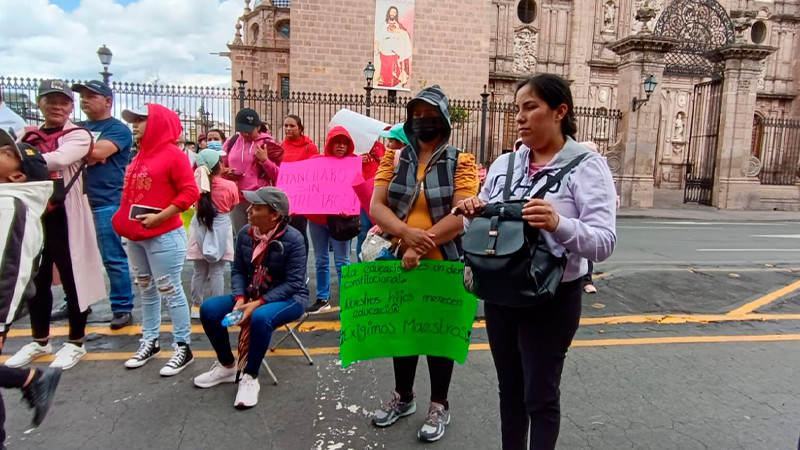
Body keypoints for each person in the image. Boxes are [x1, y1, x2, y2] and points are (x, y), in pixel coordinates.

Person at [455, 74, 617, 450]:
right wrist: (472, 211)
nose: (520, 118)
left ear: (560, 111)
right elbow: (483, 228)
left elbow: (604, 241)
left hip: (551, 299)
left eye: (531, 108)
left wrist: (558, 223)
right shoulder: (504, 165)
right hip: (500, 294)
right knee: (509, 392)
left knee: (539, 396)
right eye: (517, 110)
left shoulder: (587, 167)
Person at [369, 85, 479, 442]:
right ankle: (404, 398)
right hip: (399, 262)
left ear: (444, 122)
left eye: (429, 116)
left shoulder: (462, 161)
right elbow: (377, 206)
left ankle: (439, 404)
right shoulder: (394, 158)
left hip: (443, 265)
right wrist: (405, 235)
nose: (421, 123)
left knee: (437, 341)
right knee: (403, 336)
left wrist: (420, 243)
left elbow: (462, 214)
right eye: (415, 116)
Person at [5, 80, 107, 371]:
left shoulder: (78, 135)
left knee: (75, 277)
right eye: (51, 101)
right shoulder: (28, 134)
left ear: (70, 106)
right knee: (35, 279)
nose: (57, 107)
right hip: (36, 214)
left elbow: (57, 160)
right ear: (40, 103)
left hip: (67, 214)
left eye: (63, 102)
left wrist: (19, 161)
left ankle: (76, 342)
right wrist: (23, 159)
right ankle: (40, 340)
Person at [195, 187, 308, 409]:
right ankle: (227, 365)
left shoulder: (294, 239)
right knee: (208, 310)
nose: (248, 210)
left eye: (256, 208)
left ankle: (250, 375)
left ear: (274, 215)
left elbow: (294, 284)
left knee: (259, 317)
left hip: (290, 298)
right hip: (251, 293)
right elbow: (238, 271)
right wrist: (239, 299)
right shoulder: (246, 233)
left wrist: (256, 303)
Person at [113, 104, 200, 376]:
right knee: (146, 289)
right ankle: (150, 341)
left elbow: (190, 193)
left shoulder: (173, 155)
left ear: (158, 123)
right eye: (134, 121)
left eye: (141, 120)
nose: (135, 125)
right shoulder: (139, 156)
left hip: (162, 235)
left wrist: (161, 217)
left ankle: (183, 346)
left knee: (170, 290)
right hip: (137, 236)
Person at [0, 130, 63, 443]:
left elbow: (12, 269)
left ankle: (29, 379)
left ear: (16, 175)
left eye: (5, 151)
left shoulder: (13, 207)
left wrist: (1, 320)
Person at [71, 80, 136, 329]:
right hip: (75, 201)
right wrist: (87, 152)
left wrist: (76, 151)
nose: (84, 100)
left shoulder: (118, 129)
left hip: (106, 200)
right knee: (74, 255)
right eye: (83, 97)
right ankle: (75, 301)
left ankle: (122, 306)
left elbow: (98, 154)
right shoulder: (77, 127)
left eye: (91, 96)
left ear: (108, 101)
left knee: (112, 256)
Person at [305, 126, 360, 314]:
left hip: (341, 221)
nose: (341, 146)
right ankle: (322, 297)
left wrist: (351, 209)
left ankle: (347, 298)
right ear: (329, 143)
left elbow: (359, 191)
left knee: (343, 260)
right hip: (317, 219)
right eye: (338, 142)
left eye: (345, 143)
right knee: (320, 259)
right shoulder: (316, 162)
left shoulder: (354, 163)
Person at [186, 150, 239, 319]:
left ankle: (196, 305)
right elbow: (233, 204)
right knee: (217, 270)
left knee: (199, 271)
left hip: (199, 224)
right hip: (221, 225)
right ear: (220, 166)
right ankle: (215, 306)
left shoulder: (195, 185)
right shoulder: (230, 186)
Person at [223, 108, 284, 234]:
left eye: (249, 131)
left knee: (260, 235)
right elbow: (221, 165)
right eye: (242, 130)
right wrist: (226, 172)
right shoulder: (232, 141)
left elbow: (278, 174)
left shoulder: (268, 143)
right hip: (237, 198)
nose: (245, 134)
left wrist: (265, 161)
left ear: (258, 127)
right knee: (240, 235)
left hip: (259, 198)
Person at [280, 114, 318, 254]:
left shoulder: (310, 147)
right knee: (283, 233)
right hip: (283, 197)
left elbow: (314, 172)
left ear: (300, 128)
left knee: (299, 232)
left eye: (292, 126)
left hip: (301, 198)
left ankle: (301, 267)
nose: (288, 129)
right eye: (286, 126)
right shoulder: (280, 147)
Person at [355, 138, 386, 262]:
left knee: (380, 235)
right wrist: (357, 161)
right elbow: (346, 169)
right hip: (363, 201)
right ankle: (361, 265)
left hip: (378, 198)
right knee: (363, 235)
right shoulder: (355, 149)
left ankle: (374, 264)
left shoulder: (380, 147)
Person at [374, 5, 412, 88]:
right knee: (385, 73)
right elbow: (378, 37)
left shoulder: (399, 26)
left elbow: (405, 35)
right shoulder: (383, 26)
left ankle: (395, 84)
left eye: (394, 12)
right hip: (384, 53)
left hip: (395, 54)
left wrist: (399, 31)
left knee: (394, 73)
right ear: (388, 13)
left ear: (396, 14)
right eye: (391, 12)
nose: (392, 14)